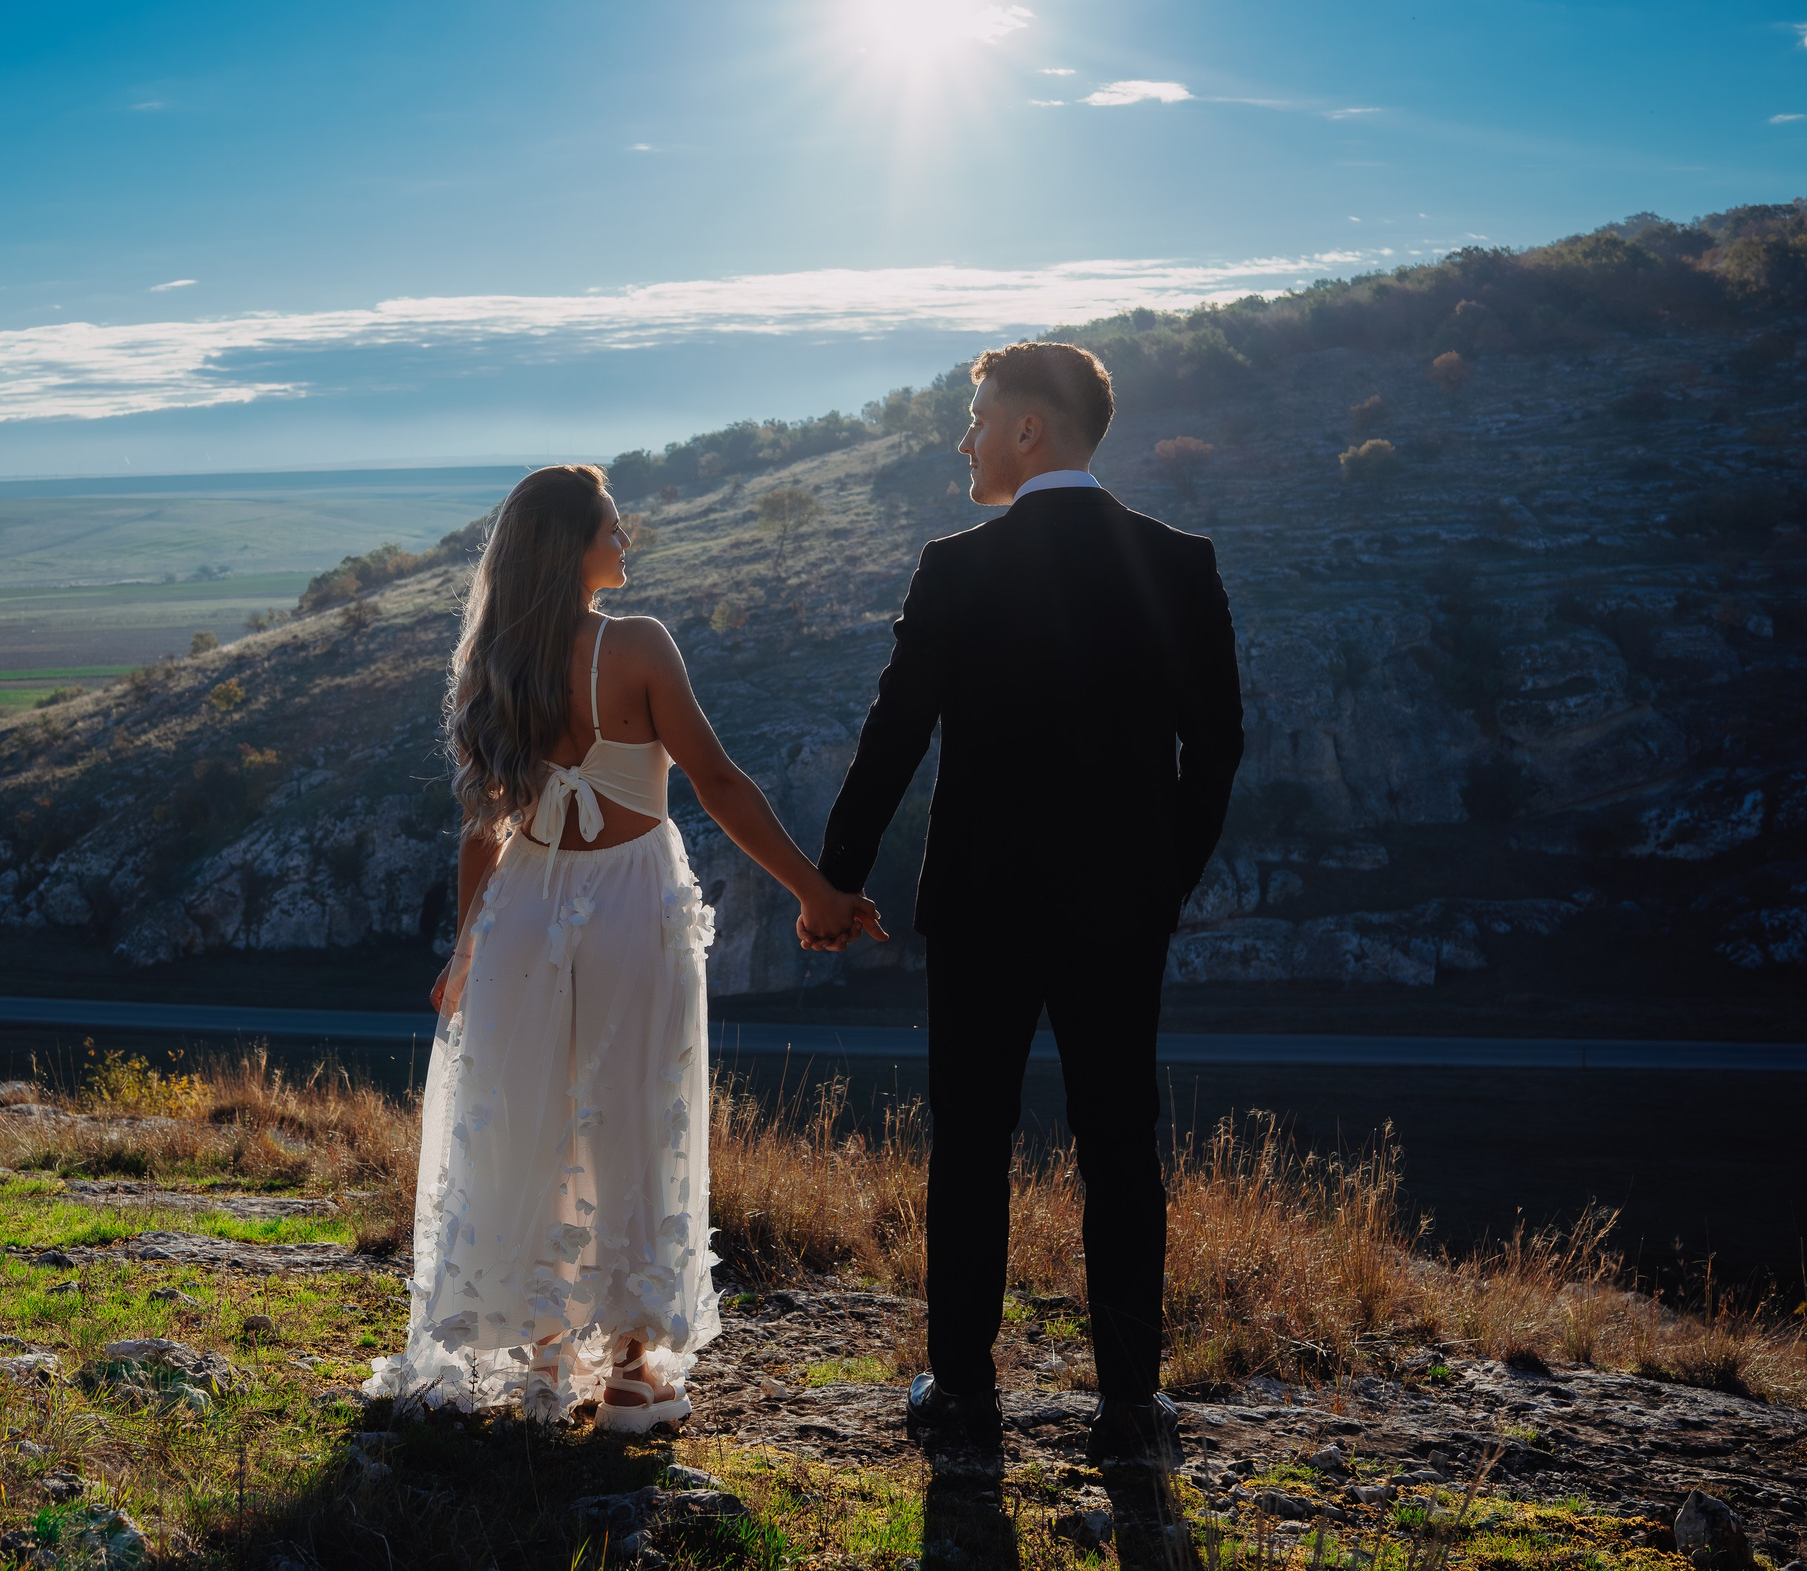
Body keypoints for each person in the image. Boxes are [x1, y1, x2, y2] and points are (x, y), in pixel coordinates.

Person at [365, 463, 875, 1429]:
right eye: (611, 525)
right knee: (636, 1107)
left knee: (528, 1114)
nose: (626, 539)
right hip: (631, 901)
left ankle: (549, 1357)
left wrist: (465, 944)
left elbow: (484, 825)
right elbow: (717, 782)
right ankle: (634, 1368)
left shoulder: (493, 660)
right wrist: (815, 891)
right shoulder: (636, 646)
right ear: (572, 545)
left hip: (524, 903)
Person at [814, 342, 1243, 1469]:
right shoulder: (1178, 561)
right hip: (1120, 910)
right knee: (1120, 1148)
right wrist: (1162, 877)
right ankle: (1129, 1407)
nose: (963, 440)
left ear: (1027, 431)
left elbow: (891, 735)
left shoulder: (954, 568)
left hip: (981, 907)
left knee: (968, 1147)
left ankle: (961, 1392)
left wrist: (836, 877)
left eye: (976, 417)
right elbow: (1218, 748)